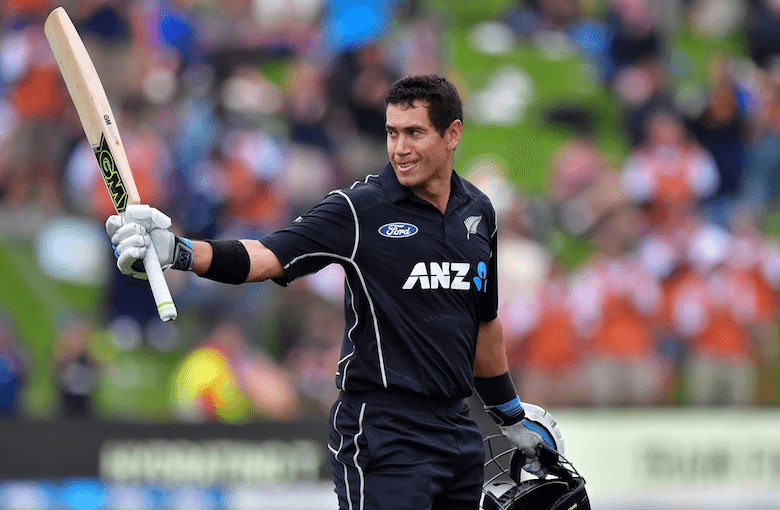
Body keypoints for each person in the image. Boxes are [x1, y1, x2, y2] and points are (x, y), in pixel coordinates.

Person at [108, 75, 551, 509]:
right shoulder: (360, 209)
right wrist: (179, 251)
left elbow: (484, 323)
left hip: (457, 429)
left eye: (414, 133)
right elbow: (267, 255)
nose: (399, 148)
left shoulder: (479, 212)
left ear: (452, 134)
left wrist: (510, 415)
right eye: (392, 133)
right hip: (383, 431)